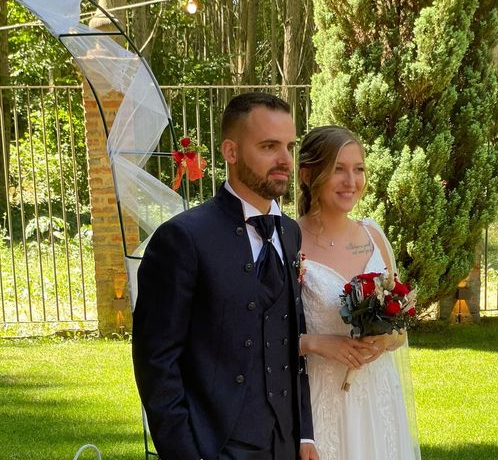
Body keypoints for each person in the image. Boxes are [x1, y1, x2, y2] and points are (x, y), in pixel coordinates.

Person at [132, 92, 319, 460]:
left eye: (289, 146)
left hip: (284, 444)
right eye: (269, 146)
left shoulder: (290, 233)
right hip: (215, 445)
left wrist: (304, 434)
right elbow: (156, 361)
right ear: (230, 152)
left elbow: (289, 343)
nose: (284, 160)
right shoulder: (184, 238)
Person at [297, 125, 421, 460]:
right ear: (308, 175)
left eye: (359, 169)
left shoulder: (374, 237)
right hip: (323, 400)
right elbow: (270, 337)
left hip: (378, 396)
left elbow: (399, 330)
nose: (351, 181)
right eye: (338, 169)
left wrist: (382, 341)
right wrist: (316, 343)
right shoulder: (289, 242)